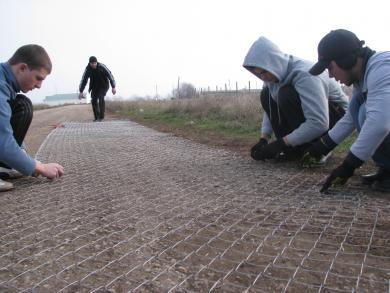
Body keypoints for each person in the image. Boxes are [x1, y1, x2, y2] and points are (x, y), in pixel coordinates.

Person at [306, 29, 390, 192]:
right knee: (358, 108)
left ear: (346, 60)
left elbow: (379, 124)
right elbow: (350, 118)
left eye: (330, 67)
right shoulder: (364, 76)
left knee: (366, 112)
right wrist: (321, 147)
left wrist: (348, 166)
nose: (330, 75)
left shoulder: (383, 68)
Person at [243, 37, 348, 163]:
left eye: (264, 72)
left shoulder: (306, 74)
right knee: (266, 94)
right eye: (258, 74)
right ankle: (294, 149)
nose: (263, 77)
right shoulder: (270, 78)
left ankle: (319, 148)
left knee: (286, 94)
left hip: (336, 115)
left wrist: (280, 144)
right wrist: (264, 139)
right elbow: (270, 108)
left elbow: (319, 122)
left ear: (273, 63)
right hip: (314, 116)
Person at [0, 44, 64, 192]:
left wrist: (24, 159)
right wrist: (39, 167)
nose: (40, 86)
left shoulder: (6, 84)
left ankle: (4, 165)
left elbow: (5, 127)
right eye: (38, 78)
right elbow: (2, 141)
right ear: (22, 68)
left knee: (22, 105)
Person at [79, 56, 116, 121]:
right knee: (93, 100)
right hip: (94, 86)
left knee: (101, 97)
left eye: (94, 63)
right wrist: (81, 91)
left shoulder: (102, 66)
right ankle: (97, 117)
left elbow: (110, 75)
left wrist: (113, 87)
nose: (93, 65)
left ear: (96, 62)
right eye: (92, 63)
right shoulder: (87, 69)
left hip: (103, 85)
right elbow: (84, 80)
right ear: (89, 63)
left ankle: (101, 117)